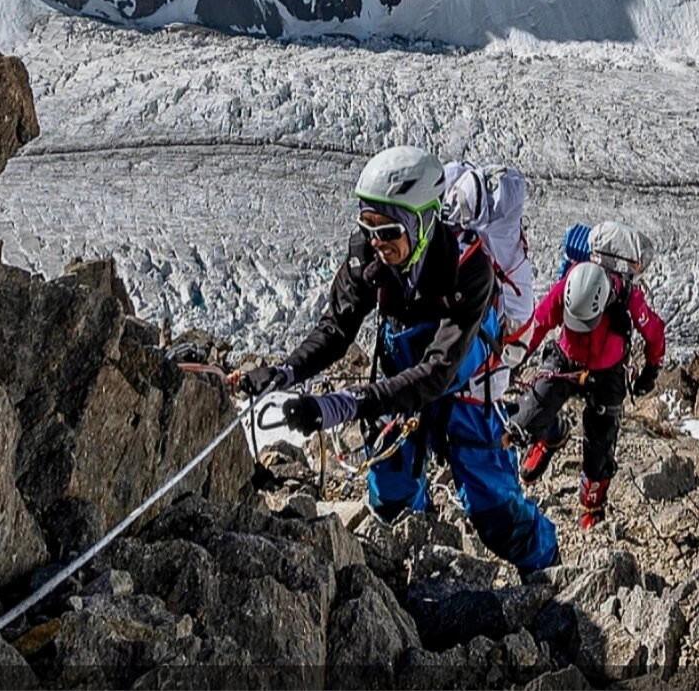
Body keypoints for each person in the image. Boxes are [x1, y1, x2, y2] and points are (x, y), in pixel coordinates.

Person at [235, 145, 558, 572]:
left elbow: (438, 370)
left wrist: (345, 405)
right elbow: (337, 327)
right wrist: (286, 371)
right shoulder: (368, 254)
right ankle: (420, 553)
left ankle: (548, 568)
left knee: (494, 510)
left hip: (463, 382)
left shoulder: (470, 266)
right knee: (391, 496)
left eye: (387, 230)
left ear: (421, 220)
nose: (376, 242)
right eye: (368, 227)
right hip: (403, 374)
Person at [508, 258, 666, 529]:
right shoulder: (567, 286)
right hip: (567, 358)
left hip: (607, 371)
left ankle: (591, 506)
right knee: (530, 412)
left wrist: (651, 370)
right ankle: (550, 433)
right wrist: (514, 359)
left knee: (600, 445)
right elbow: (539, 322)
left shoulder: (627, 298)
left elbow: (654, 331)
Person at [442, 160, 534, 375]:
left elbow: (501, 190)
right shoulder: (501, 232)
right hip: (507, 332)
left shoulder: (498, 228)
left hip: (503, 336)